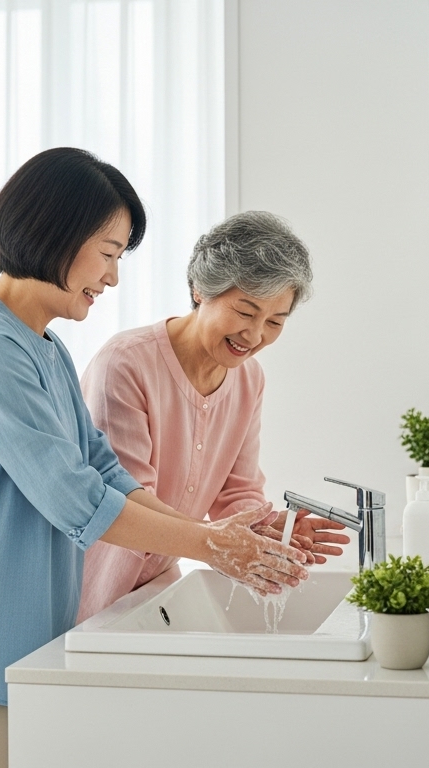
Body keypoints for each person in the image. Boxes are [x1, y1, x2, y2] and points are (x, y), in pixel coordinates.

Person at [0, 148, 310, 768]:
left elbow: (108, 475)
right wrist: (214, 546)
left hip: (16, 641)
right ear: (55, 233)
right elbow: (75, 499)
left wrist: (217, 535)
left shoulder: (45, 349)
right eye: (110, 252)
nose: (113, 277)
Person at [76, 211, 350, 622]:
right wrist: (220, 547)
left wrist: (270, 531)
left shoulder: (248, 379)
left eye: (275, 321)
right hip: (90, 587)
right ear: (201, 289)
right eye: (245, 312)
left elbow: (235, 492)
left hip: (156, 589)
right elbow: (128, 500)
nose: (256, 336)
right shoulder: (126, 363)